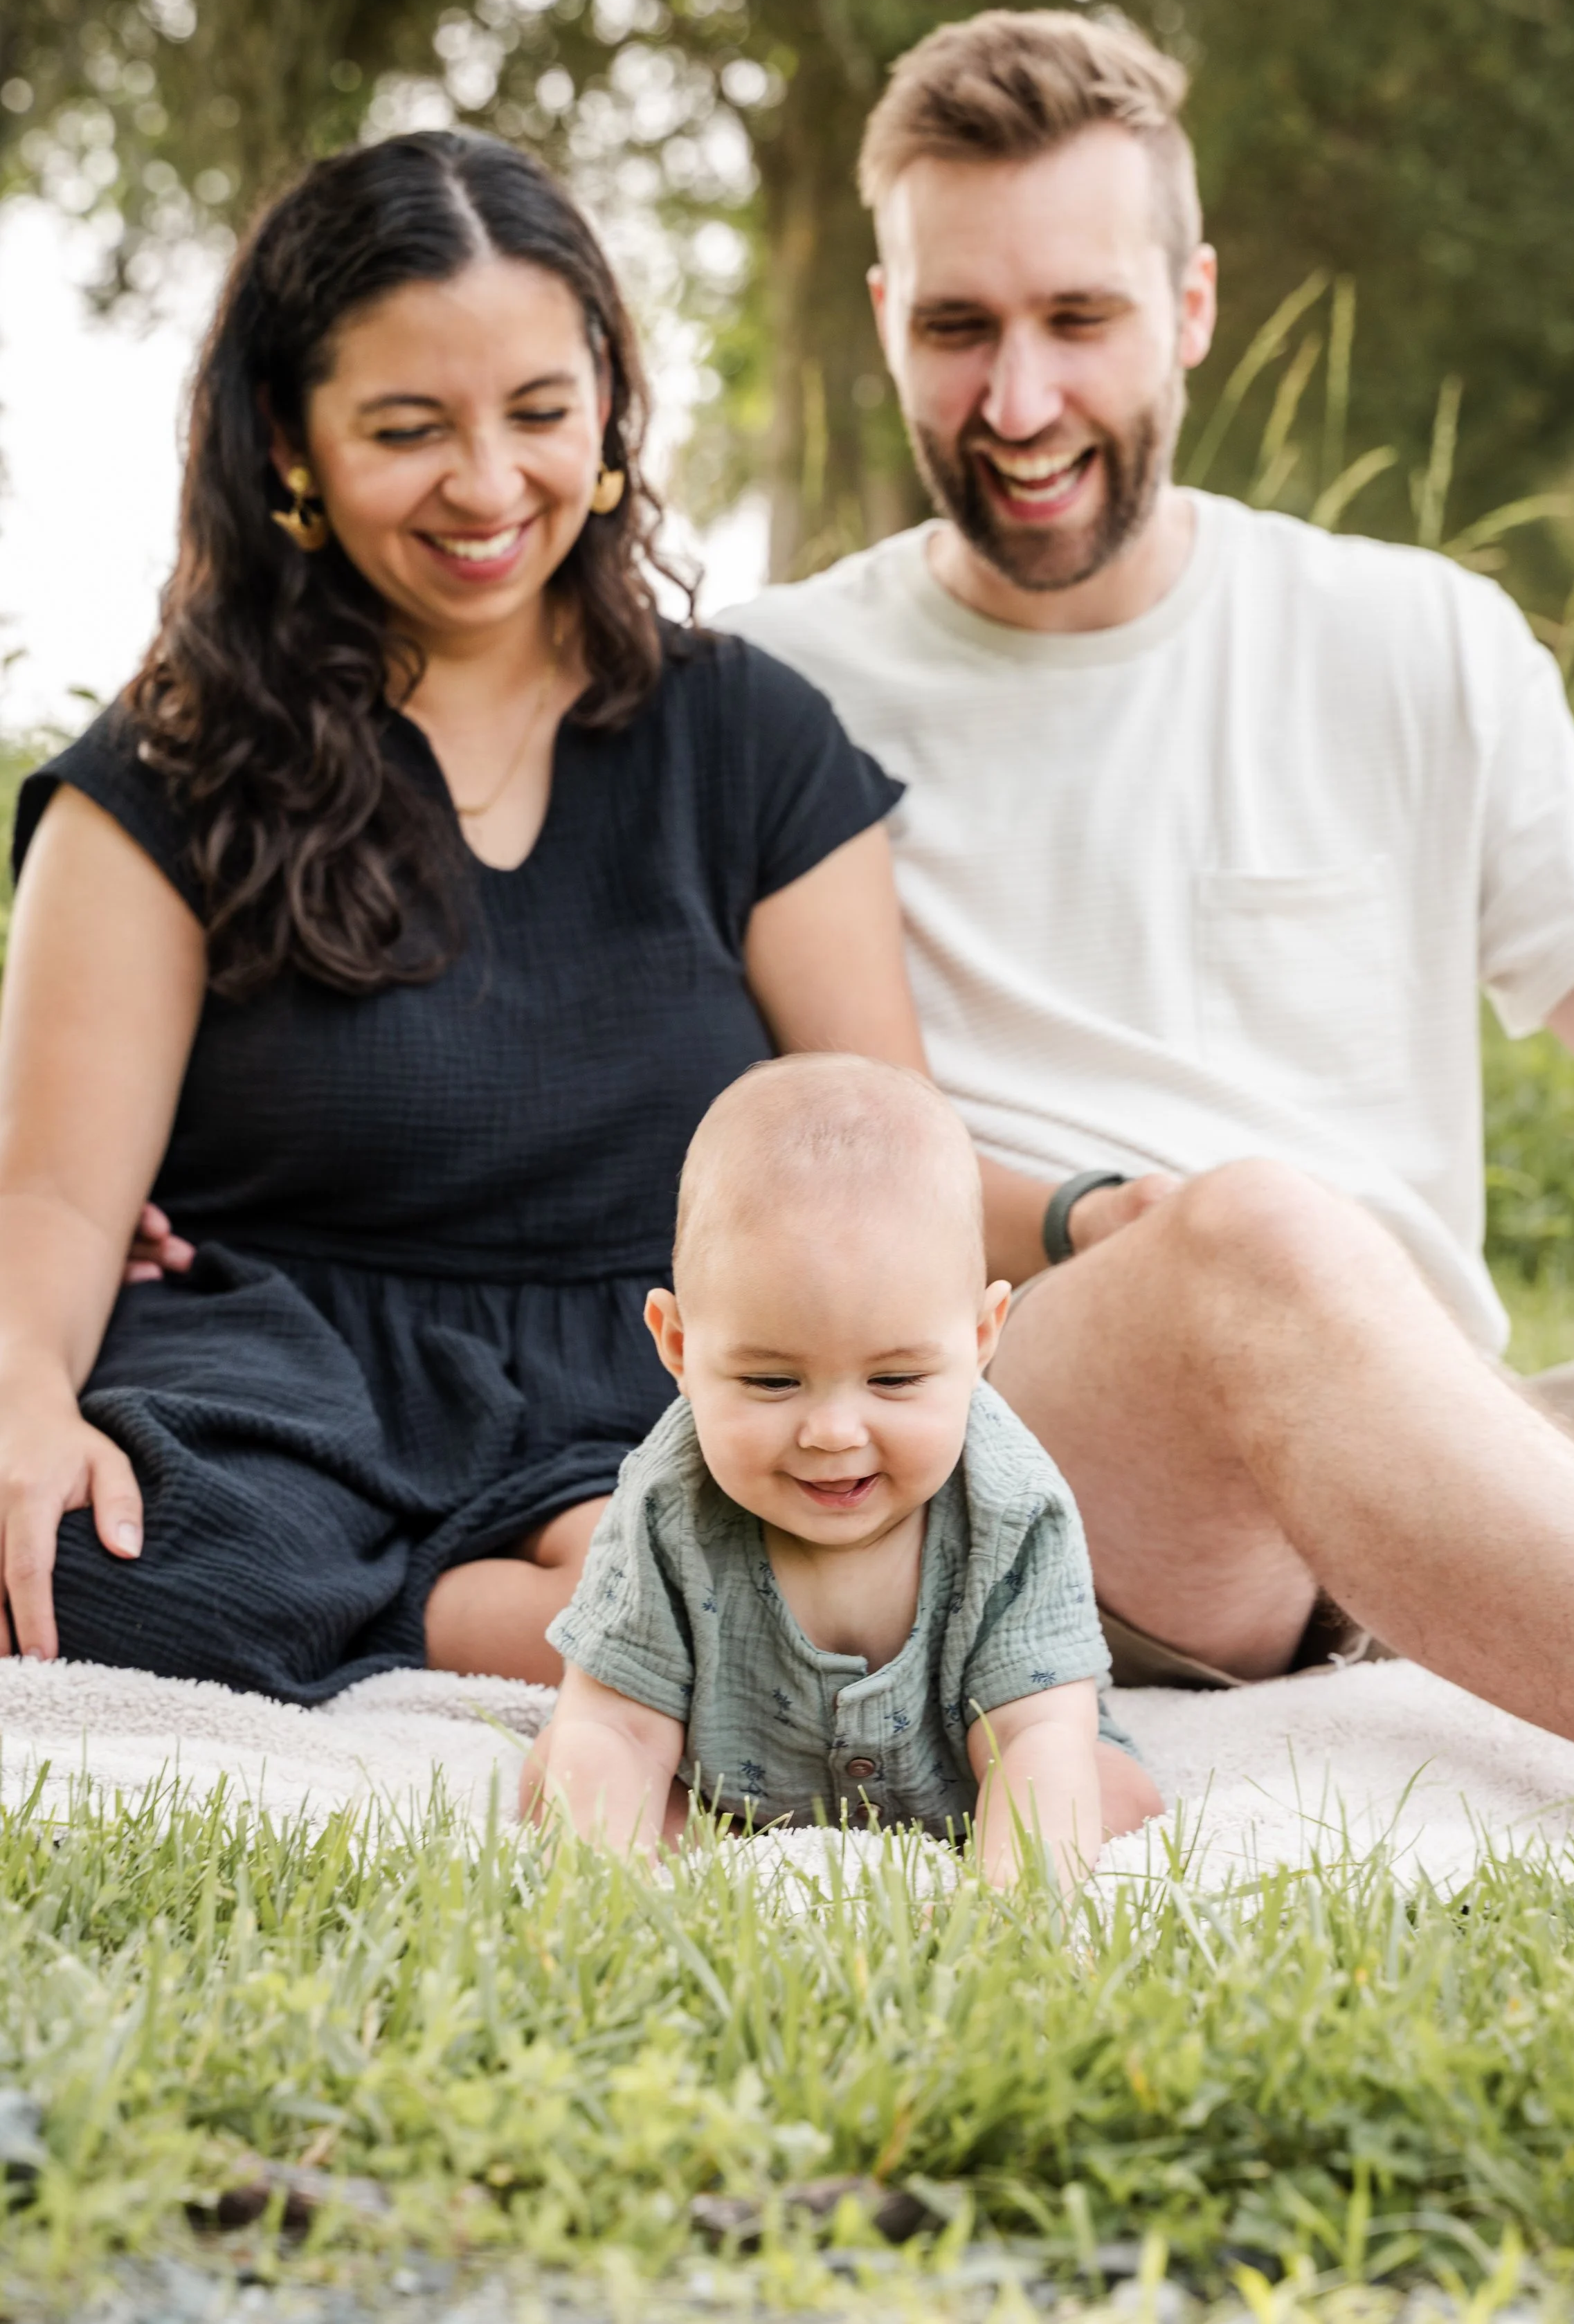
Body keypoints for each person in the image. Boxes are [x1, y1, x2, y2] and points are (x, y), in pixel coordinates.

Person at [731, 10, 1574, 1806]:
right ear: (886, 321)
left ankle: (1519, 1605)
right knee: (1260, 1236)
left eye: (1078, 320)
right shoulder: (769, 691)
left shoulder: (1410, 636)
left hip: (1426, 1425)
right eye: (957, 327)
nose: (1017, 405)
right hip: (1057, 1443)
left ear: (1188, 308)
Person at [0, 129, 930, 1699]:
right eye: (407, 427)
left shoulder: (751, 740)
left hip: (642, 1373)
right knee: (89, 1550)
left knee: (838, 1577)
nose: (490, 485)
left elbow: (883, 1148)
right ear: (289, 440)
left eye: (541, 412)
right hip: (282, 1379)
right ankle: (546, 1622)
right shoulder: (156, 777)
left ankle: (556, 1601)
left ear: (611, 410)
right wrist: (24, 1385)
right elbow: (61, 1205)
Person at [524, 1054, 1162, 1882]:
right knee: (562, 1774)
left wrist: (1022, 1907)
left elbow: (1034, 1732)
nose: (831, 1431)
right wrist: (597, 1888)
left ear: (979, 1339)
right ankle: (741, 1876)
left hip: (970, 1792)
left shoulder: (1013, 1502)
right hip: (734, 1798)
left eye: (894, 1379)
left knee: (1110, 1793)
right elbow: (619, 1725)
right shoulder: (664, 1500)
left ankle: (979, 1871)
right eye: (770, 1380)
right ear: (678, 1345)